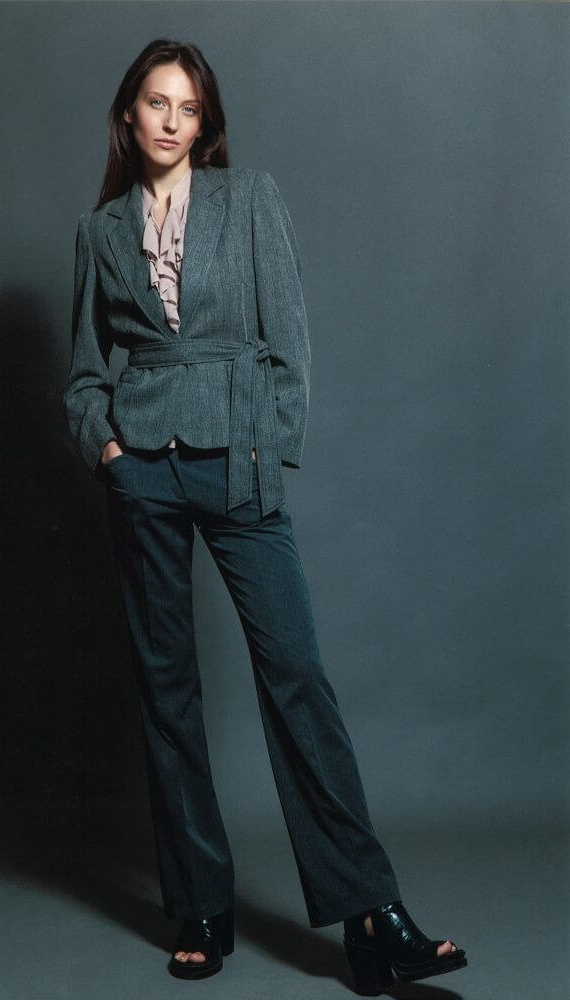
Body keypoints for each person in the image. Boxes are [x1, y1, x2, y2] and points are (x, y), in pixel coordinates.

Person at [63, 37, 468, 994]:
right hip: (143, 474)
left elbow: (288, 338)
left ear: (204, 122)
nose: (170, 120)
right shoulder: (99, 232)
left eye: (187, 107)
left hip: (237, 465)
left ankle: (370, 916)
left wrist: (269, 450)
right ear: (128, 114)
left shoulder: (249, 199)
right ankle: (200, 906)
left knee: (296, 680)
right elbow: (84, 371)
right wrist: (108, 452)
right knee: (166, 690)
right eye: (155, 102)